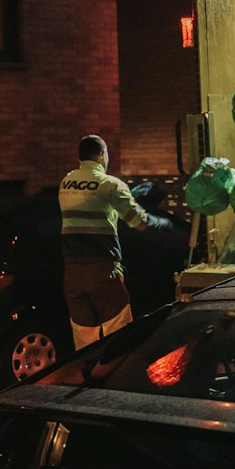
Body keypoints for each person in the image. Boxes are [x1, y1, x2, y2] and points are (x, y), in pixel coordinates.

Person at [58, 134, 167, 350]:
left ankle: (86, 379)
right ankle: (112, 381)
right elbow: (138, 222)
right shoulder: (109, 185)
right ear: (102, 155)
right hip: (101, 272)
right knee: (119, 338)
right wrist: (164, 224)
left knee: (84, 342)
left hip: (71, 275)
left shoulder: (66, 182)